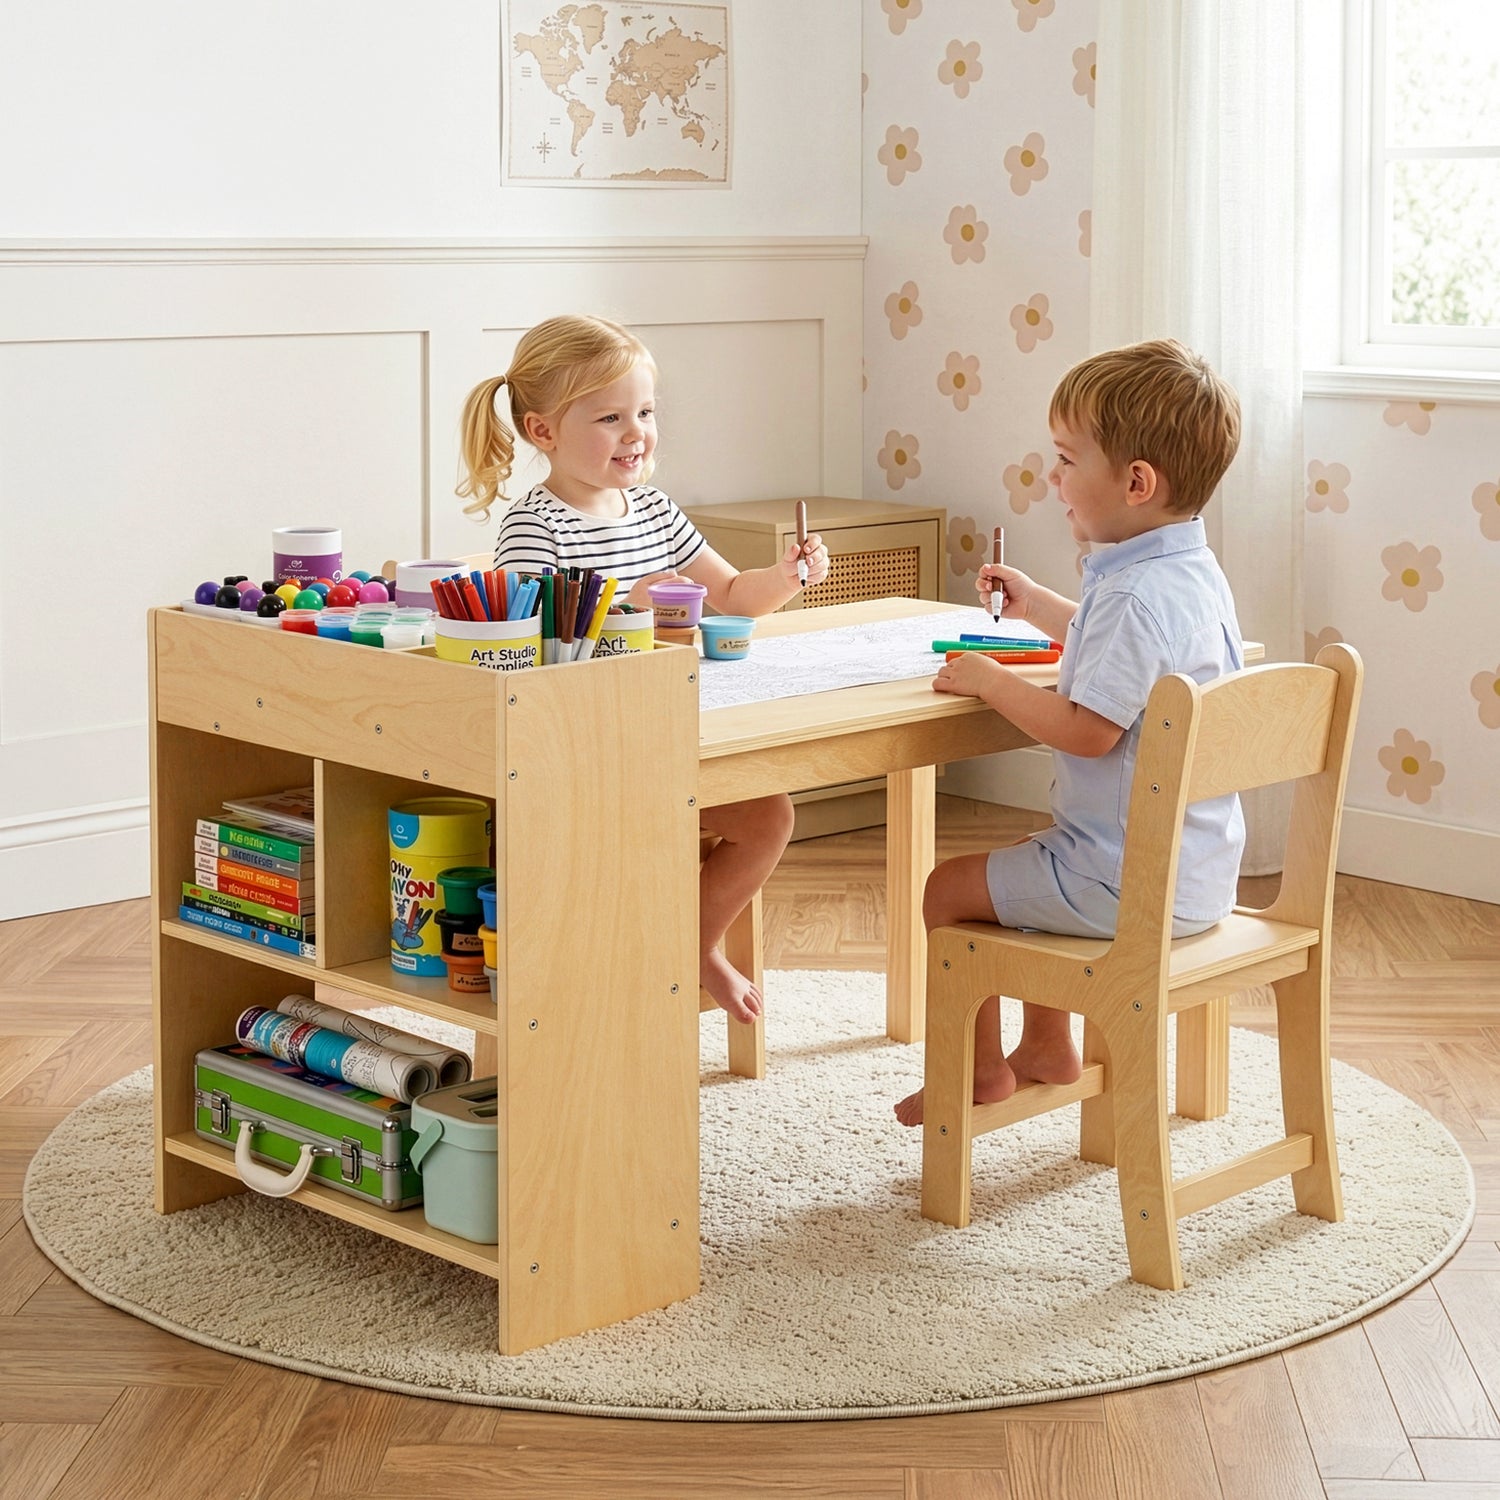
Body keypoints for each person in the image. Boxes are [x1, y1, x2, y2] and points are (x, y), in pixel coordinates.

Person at [895, 338, 1245, 1126]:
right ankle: (1047, 1047)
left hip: (1124, 883)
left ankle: (977, 1072)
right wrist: (1039, 607)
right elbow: (1115, 644)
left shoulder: (1133, 596)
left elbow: (1088, 731)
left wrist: (987, 678)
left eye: (1064, 459)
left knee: (949, 890)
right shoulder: (1184, 572)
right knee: (1026, 862)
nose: (1052, 477)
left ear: (1134, 482)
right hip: (1196, 868)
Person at [456, 313, 829, 1027]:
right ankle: (672, 951)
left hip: (666, 735)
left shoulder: (654, 511)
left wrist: (787, 576)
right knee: (730, 819)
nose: (637, 433)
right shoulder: (537, 526)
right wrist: (625, 601)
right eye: (610, 417)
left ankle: (692, 942)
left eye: (646, 412)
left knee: (768, 813)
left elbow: (733, 597)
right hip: (587, 753)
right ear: (543, 433)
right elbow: (530, 650)